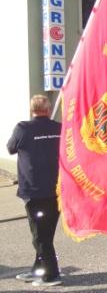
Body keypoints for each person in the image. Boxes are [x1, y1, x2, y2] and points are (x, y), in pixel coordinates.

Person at [7, 95, 62, 287]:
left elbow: (10, 148)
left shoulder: (23, 128)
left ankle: (52, 275)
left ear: (32, 110)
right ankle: (37, 269)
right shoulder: (59, 128)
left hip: (35, 191)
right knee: (45, 234)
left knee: (40, 236)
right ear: (47, 109)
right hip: (56, 191)